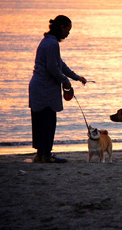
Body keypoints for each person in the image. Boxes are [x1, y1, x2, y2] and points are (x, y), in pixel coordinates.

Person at [29, 15, 87, 163]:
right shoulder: (53, 44)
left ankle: (40, 155)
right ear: (62, 27)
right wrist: (66, 82)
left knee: (40, 122)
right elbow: (53, 68)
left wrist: (76, 77)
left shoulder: (47, 41)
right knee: (48, 122)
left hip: (38, 87)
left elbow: (59, 64)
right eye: (68, 29)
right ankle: (46, 156)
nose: (68, 33)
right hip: (45, 88)